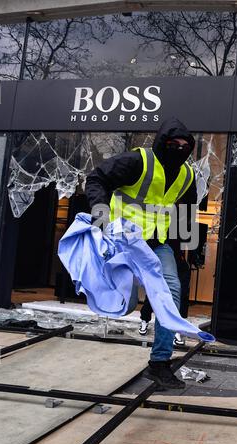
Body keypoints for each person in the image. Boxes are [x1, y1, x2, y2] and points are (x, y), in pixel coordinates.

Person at [85, 117, 197, 389]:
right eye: (173, 144)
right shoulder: (138, 161)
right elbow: (96, 178)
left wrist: (185, 249)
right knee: (123, 297)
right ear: (162, 143)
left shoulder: (187, 175)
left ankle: (159, 363)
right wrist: (101, 221)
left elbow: (186, 210)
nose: (179, 149)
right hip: (123, 238)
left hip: (156, 244)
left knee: (171, 292)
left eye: (185, 146)